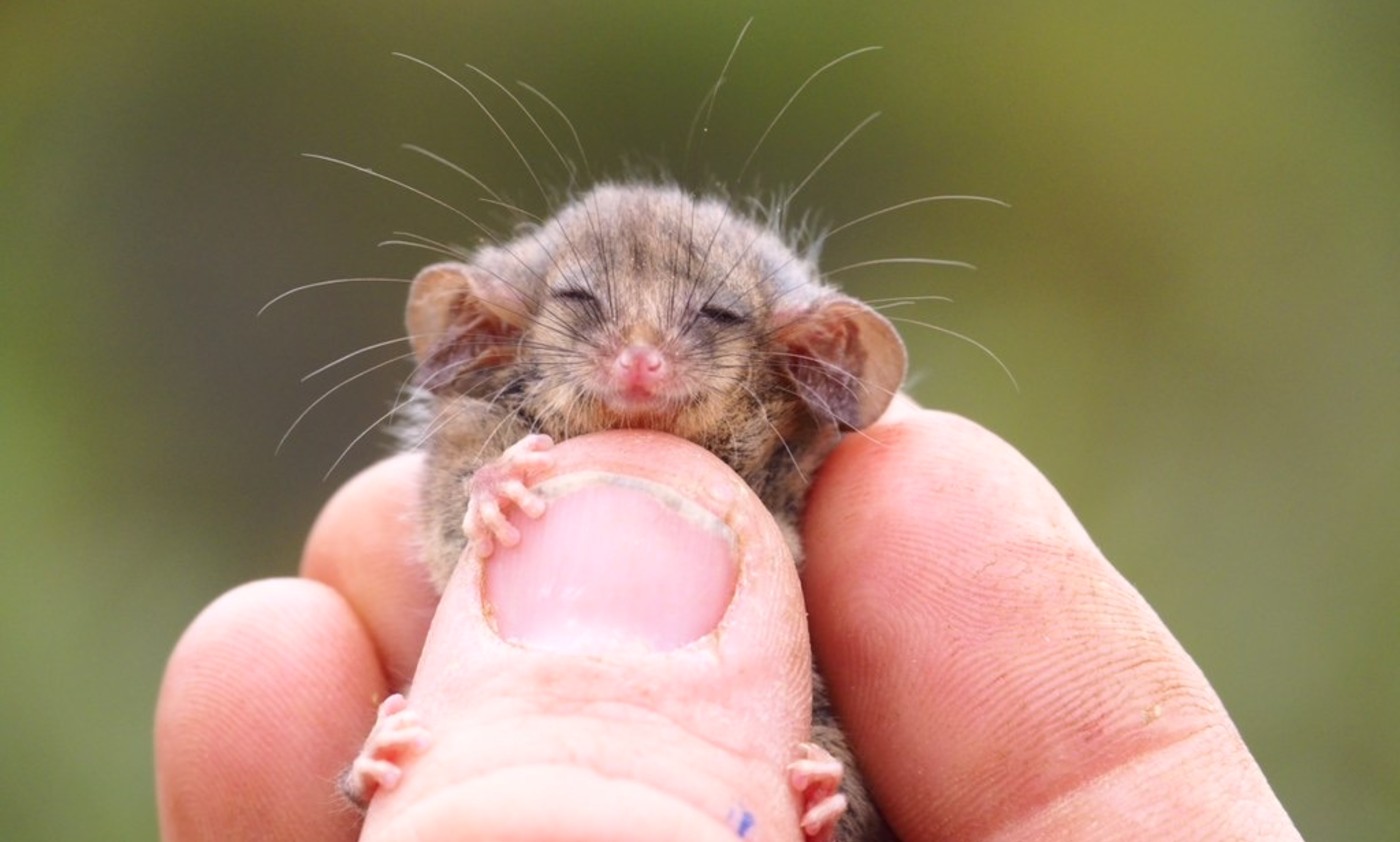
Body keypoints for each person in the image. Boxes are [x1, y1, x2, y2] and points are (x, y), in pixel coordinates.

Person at [154, 401, 1302, 840]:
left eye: (702, 318)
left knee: (833, 763)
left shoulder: (817, 505)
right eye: (589, 309)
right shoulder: (484, 455)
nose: (644, 363)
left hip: (796, 772)